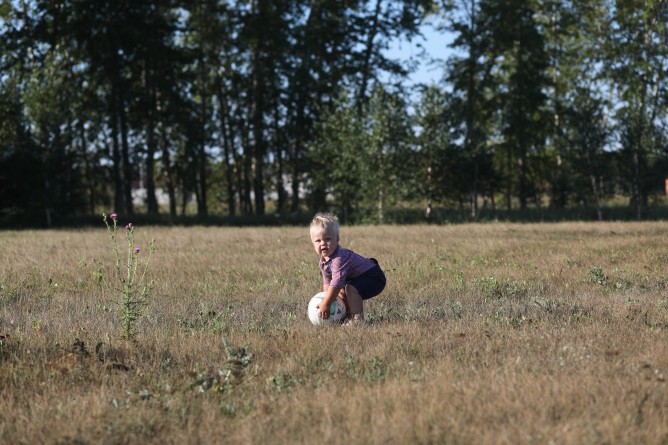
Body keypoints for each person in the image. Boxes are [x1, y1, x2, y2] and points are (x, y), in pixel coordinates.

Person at [309, 212, 386, 325]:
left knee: (349, 288)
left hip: (374, 277)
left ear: (337, 239)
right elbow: (328, 283)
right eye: (318, 241)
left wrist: (326, 303)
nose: (323, 243)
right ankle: (347, 315)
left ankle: (357, 319)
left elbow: (337, 282)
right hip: (359, 278)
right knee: (340, 291)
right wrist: (326, 298)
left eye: (328, 239)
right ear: (313, 242)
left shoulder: (339, 257)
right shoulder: (323, 262)